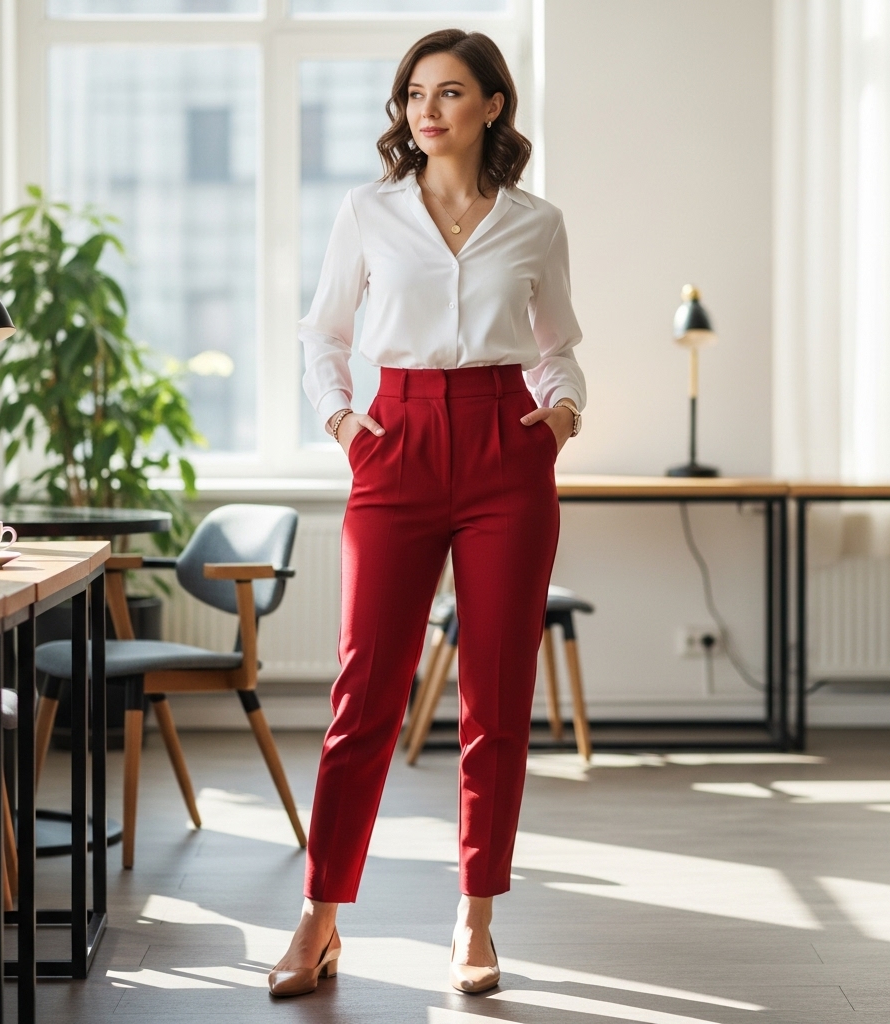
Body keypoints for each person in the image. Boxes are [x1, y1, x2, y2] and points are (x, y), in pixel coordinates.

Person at [269, 27, 586, 999]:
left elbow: (559, 345)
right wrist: (344, 425)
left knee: (494, 698)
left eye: (449, 92)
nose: (426, 110)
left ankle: (475, 916)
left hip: (504, 448)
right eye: (414, 94)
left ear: (492, 104)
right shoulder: (369, 211)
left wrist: (560, 415)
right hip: (395, 442)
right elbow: (320, 333)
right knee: (364, 693)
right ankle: (319, 916)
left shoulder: (535, 222)